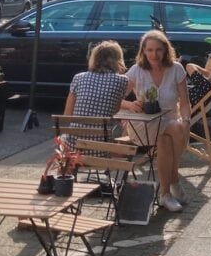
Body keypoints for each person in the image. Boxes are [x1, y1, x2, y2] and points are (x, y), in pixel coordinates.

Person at [122, 29, 191, 212]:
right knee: (170, 132)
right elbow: (115, 99)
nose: (154, 54)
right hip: (143, 124)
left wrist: (186, 120)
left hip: (169, 121)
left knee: (172, 132)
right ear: (143, 51)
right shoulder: (137, 71)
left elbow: (185, 102)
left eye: (158, 50)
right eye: (150, 50)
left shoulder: (176, 69)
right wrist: (130, 105)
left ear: (165, 50)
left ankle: (165, 194)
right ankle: (172, 182)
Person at [62, 40, 130, 148]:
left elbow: (67, 115)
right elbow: (114, 111)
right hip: (101, 149)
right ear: (118, 60)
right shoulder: (122, 80)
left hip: (73, 149)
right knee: (125, 131)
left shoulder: (79, 77)